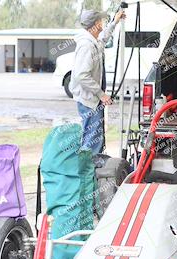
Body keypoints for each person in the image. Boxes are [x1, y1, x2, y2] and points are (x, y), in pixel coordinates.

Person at [70, 9, 126, 154]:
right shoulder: (86, 46)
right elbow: (81, 75)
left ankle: (94, 168)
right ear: (96, 24)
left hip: (92, 99)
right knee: (92, 139)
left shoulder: (93, 42)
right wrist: (101, 94)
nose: (102, 23)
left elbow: (103, 40)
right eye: (101, 21)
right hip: (89, 100)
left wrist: (115, 22)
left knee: (95, 137)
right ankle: (90, 172)